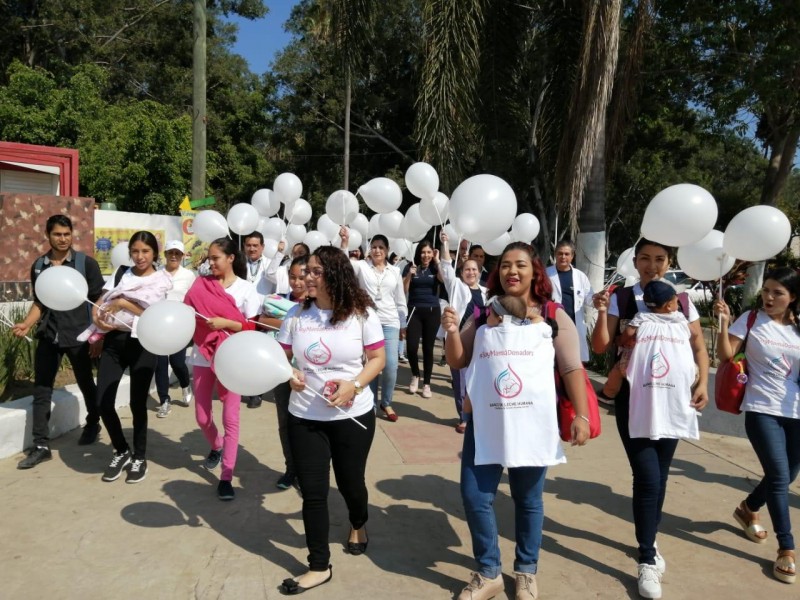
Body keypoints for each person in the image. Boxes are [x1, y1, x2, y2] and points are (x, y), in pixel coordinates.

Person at [442, 241, 590, 600]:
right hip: (486, 423)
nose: (512, 271)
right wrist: (449, 329)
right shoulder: (482, 314)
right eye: (505, 265)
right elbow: (458, 360)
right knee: (475, 496)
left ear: (534, 271)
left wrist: (582, 414)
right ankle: (489, 572)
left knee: (528, 499)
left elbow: (571, 367)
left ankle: (525, 571)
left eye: (520, 265)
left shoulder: (554, 315)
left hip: (533, 424)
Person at [592, 238, 709, 599]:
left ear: (669, 261)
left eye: (659, 259)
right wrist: (600, 313)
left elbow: (698, 346)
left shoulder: (682, 301)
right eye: (644, 258)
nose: (651, 265)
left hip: (673, 402)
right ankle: (646, 558)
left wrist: (703, 381)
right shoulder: (622, 298)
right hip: (634, 401)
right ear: (635, 260)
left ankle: (650, 539)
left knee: (657, 478)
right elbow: (600, 346)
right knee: (646, 477)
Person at [276, 246, 385, 595]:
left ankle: (358, 522)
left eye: (314, 271)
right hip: (305, 416)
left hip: (353, 416)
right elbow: (278, 358)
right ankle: (319, 565)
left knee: (351, 481)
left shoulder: (362, 314)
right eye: (305, 271)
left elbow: (378, 358)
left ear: (334, 275)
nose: (306, 277)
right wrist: (288, 372)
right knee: (313, 492)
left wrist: (354, 384)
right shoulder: (296, 315)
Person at [715, 267, 800, 585]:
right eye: (766, 290)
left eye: (778, 292)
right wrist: (724, 324)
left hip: (796, 412)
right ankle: (786, 549)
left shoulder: (798, 327)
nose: (769, 297)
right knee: (779, 477)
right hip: (761, 408)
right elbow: (726, 354)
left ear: (792, 298)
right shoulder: (751, 319)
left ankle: (748, 507)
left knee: (789, 474)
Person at [14, 215, 106, 469]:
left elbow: (99, 300)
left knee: (86, 382)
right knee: (42, 389)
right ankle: (41, 445)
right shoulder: (39, 266)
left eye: (66, 234)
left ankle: (93, 422)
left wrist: (97, 334)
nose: (63, 239)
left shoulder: (85, 264)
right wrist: (27, 323)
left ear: (72, 234)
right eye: (57, 234)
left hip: (78, 335)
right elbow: (40, 301)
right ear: (48, 235)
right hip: (49, 335)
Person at [184, 237, 262, 500]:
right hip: (202, 356)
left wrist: (226, 322)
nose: (211, 262)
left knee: (231, 418)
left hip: (232, 359)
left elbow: (253, 327)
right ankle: (216, 446)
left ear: (230, 258)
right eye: (209, 257)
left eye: (215, 257)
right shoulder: (200, 285)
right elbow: (186, 315)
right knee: (202, 417)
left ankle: (226, 476)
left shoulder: (247, 290)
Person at [95, 231, 172, 484]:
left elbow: (152, 313)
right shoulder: (121, 273)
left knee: (138, 403)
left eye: (146, 252)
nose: (140, 257)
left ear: (154, 254)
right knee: (103, 401)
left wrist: (124, 304)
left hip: (143, 344)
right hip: (114, 342)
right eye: (136, 251)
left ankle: (140, 456)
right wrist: (97, 317)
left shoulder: (161, 280)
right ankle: (121, 450)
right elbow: (102, 300)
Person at [341, 230, 407, 422]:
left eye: (381, 247)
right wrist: (344, 243)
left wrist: (402, 322)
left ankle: (386, 402)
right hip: (367, 320)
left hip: (390, 322)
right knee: (370, 364)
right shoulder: (362, 266)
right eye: (374, 247)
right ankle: (370, 402)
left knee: (391, 365)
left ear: (387, 251)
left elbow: (400, 299)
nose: (377, 250)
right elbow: (344, 266)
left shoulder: (394, 270)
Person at [258, 255, 309, 490]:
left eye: (302, 277)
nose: (297, 282)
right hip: (284, 370)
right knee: (285, 423)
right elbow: (261, 320)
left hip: (311, 376)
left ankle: (308, 470)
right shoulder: (283, 305)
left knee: (308, 425)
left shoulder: (323, 308)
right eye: (292, 277)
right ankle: (291, 469)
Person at [440, 232, 488, 433]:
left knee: (479, 379)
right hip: (458, 340)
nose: (470, 272)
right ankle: (464, 416)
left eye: (474, 269)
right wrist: (444, 243)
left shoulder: (487, 293)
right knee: (460, 381)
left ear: (479, 272)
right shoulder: (456, 286)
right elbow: (445, 267)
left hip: (482, 342)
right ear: (462, 272)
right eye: (467, 269)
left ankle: (480, 414)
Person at [155, 240, 196, 418]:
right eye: (170, 253)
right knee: (160, 364)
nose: (173, 256)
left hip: (180, 324)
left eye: (177, 253)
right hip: (158, 325)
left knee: (177, 362)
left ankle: (185, 385)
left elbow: (194, 299)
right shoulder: (156, 274)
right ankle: (164, 400)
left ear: (182, 256)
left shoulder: (188, 275)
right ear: (165, 255)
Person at [402, 240, 442, 398]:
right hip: (414, 311)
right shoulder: (411, 266)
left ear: (433, 253)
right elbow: (404, 290)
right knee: (411, 347)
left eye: (429, 252)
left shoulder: (435, 267)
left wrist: (438, 261)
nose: (426, 255)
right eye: (423, 252)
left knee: (428, 349)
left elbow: (444, 279)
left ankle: (427, 384)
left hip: (432, 311)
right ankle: (415, 375)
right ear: (419, 253)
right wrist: (409, 276)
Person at [546, 240, 594, 362]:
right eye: (560, 253)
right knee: (552, 361)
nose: (563, 257)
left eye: (567, 254)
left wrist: (598, 299)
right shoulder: (546, 275)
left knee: (573, 363)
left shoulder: (580, 277)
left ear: (572, 256)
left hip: (574, 326)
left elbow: (590, 299)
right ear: (555, 254)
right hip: (552, 326)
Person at [242, 231, 272, 409]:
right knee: (245, 354)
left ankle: (256, 392)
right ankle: (246, 386)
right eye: (248, 245)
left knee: (260, 356)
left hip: (263, 317)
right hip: (243, 316)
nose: (252, 248)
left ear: (262, 247)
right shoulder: (238, 264)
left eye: (255, 245)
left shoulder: (271, 266)